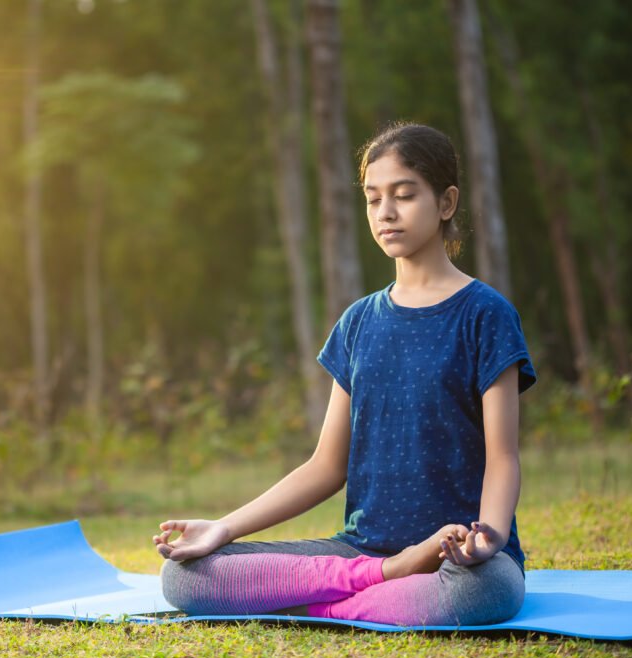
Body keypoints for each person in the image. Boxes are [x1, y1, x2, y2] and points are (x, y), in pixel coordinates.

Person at [152, 122, 537, 626]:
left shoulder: (485, 314)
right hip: (363, 552)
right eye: (374, 199)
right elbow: (325, 467)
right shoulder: (358, 322)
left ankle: (326, 597)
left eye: (404, 195)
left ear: (446, 203)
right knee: (184, 576)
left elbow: (502, 457)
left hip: (458, 557)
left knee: (486, 594)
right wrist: (222, 529)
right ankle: (384, 578)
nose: (386, 213)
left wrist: (488, 537)